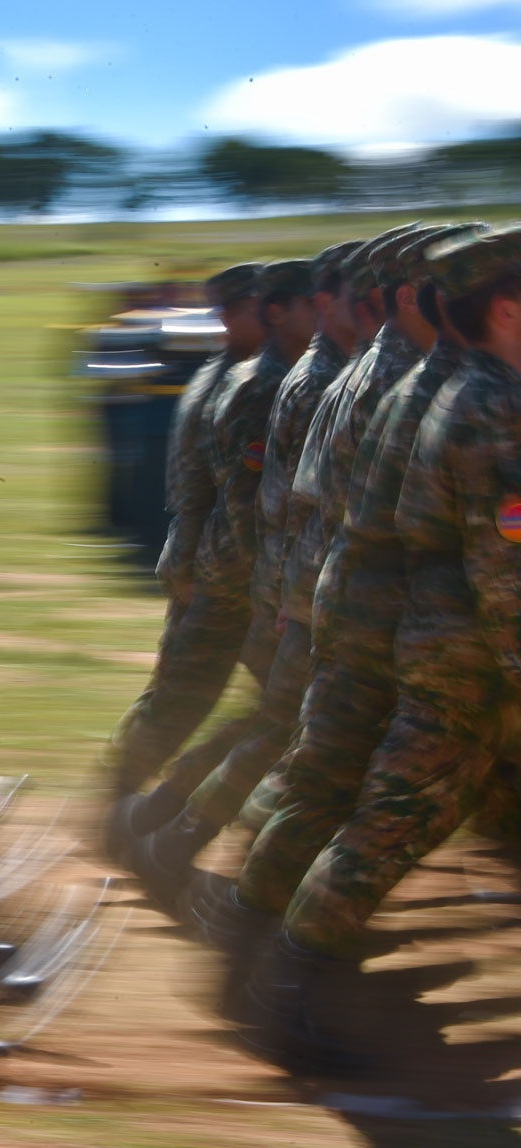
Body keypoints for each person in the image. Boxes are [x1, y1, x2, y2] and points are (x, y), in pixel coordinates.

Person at [258, 225, 521, 1073]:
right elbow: (505, 562)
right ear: (508, 307)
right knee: (387, 824)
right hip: (467, 659)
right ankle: (282, 991)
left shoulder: (484, 386)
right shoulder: (492, 407)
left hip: (456, 642)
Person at [125, 258, 319, 888]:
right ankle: (128, 813)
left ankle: (150, 812)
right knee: (198, 703)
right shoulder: (254, 385)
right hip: (235, 578)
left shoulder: (252, 375)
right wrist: (272, 592)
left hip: (231, 573)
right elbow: (242, 506)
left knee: (265, 709)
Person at [103, 263, 267, 819]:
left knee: (204, 695)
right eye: (255, 306)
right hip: (223, 569)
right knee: (186, 695)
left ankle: (134, 800)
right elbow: (223, 492)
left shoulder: (226, 372)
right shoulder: (239, 382)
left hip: (215, 562)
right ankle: (125, 802)